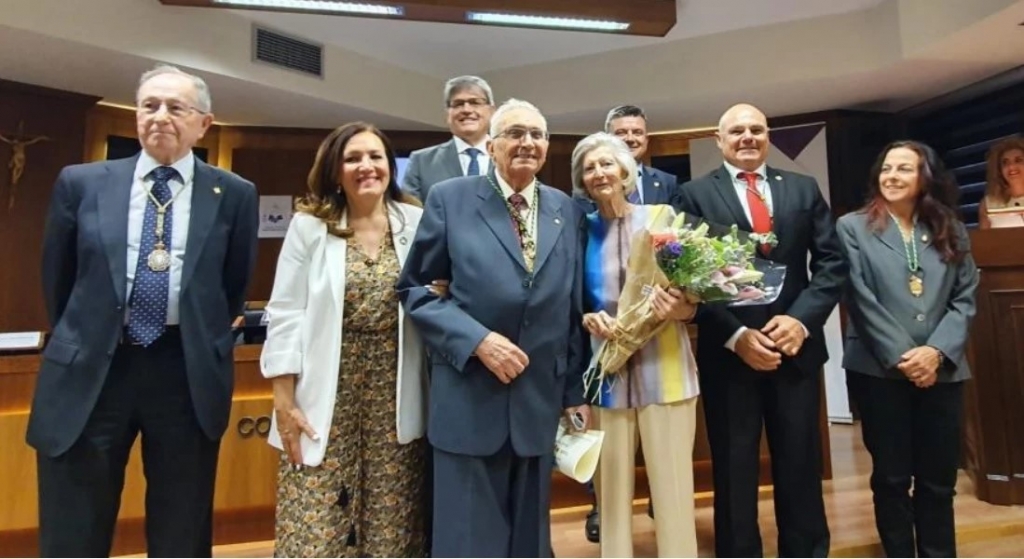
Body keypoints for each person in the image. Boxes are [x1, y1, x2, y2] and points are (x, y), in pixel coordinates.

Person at [29, 64, 259, 557]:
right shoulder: (82, 183)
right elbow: (59, 279)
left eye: (176, 108)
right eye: (149, 105)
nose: (159, 116)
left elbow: (233, 285)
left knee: (180, 527)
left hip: (184, 371)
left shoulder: (234, 194)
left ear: (204, 123)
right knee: (75, 523)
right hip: (95, 366)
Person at [397, 98, 590, 558]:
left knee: (530, 542)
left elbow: (570, 307)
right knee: (468, 541)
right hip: (469, 396)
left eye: (538, 135)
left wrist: (572, 394)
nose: (527, 143)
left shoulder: (566, 209)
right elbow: (416, 289)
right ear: (492, 144)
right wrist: (477, 340)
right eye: (515, 133)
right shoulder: (451, 198)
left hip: (538, 402)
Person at [676, 103, 847, 558]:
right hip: (730, 354)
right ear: (719, 139)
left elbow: (831, 264)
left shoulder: (803, 189)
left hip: (795, 349)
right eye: (737, 131)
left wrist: (800, 321)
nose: (747, 137)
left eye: (757, 129)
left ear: (768, 136)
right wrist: (737, 337)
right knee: (734, 468)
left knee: (800, 462)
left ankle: (807, 550)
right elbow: (688, 280)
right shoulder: (693, 195)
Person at [260, 122, 429, 557]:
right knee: (316, 518)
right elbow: (285, 313)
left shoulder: (416, 221)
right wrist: (284, 399)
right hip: (323, 391)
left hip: (395, 388)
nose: (366, 166)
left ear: (390, 167)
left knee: (391, 520)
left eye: (375, 157)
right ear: (335, 172)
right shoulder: (309, 226)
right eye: (353, 158)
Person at [838, 141, 979, 558]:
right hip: (880, 372)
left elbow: (966, 295)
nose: (892, 176)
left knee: (939, 479)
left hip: (945, 369)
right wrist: (906, 356)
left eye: (904, 169)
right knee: (892, 477)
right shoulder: (852, 227)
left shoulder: (949, 225)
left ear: (925, 178)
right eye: (886, 168)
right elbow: (859, 298)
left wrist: (936, 352)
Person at [573, 132, 702, 557]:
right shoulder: (580, 230)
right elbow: (571, 299)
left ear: (626, 171)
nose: (599, 173)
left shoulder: (662, 217)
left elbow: (691, 298)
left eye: (607, 164)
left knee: (674, 490)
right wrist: (586, 316)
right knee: (610, 495)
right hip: (607, 371)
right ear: (582, 180)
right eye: (590, 168)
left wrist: (681, 307)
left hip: (664, 371)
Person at [402, 75, 495, 201]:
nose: (466, 109)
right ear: (447, 114)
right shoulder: (421, 162)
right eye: (458, 104)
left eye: (475, 102)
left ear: (491, 111)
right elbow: (410, 214)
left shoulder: (509, 156)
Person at [978, 136, 1024, 228]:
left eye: (1018, 160)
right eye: (1005, 162)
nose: (1011, 167)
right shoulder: (988, 203)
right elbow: (984, 240)